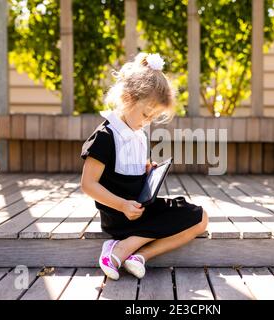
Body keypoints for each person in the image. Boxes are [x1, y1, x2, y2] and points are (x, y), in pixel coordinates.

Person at [80, 53, 209, 281]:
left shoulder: (138, 134)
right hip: (120, 216)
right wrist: (122, 205)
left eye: (153, 118)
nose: (147, 121)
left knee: (200, 218)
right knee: (182, 218)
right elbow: (88, 184)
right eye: (146, 114)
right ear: (128, 98)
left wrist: (147, 172)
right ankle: (117, 249)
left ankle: (138, 255)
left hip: (140, 210)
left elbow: (131, 173)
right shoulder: (105, 136)